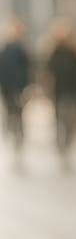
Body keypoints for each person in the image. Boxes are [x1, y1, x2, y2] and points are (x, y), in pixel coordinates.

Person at [46, 22, 76, 167]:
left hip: (72, 91)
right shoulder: (55, 52)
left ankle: (67, 143)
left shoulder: (75, 53)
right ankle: (61, 144)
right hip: (59, 91)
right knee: (60, 120)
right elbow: (49, 72)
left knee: (69, 120)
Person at [0, 17, 32, 164]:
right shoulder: (5, 48)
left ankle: (19, 136)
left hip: (19, 86)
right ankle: (11, 132)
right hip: (7, 86)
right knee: (10, 110)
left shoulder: (22, 49)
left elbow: (28, 69)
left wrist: (27, 85)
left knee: (18, 112)